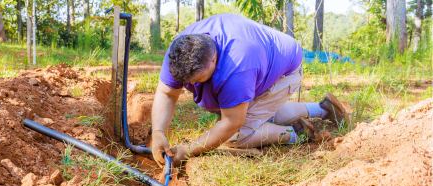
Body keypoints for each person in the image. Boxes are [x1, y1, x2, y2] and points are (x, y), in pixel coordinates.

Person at [150, 13, 350, 166]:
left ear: (213, 59)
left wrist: (190, 149)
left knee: (237, 137)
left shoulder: (237, 67)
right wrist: (158, 132)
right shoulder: (179, 51)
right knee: (262, 116)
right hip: (265, 59)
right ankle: (323, 108)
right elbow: (167, 93)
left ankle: (297, 133)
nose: (193, 87)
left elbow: (231, 123)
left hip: (285, 72)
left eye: (198, 80)